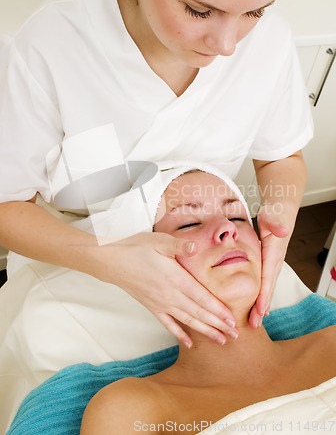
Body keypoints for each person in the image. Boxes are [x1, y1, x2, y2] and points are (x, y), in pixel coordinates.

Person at [0, 0, 312, 421]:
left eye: (255, 12)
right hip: (74, 253)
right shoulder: (53, 44)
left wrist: (277, 213)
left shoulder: (269, 43)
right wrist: (108, 261)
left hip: (211, 242)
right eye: (200, 11)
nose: (228, 45)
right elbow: (5, 207)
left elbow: (282, 158)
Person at [80, 170, 336, 434]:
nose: (228, 228)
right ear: (146, 269)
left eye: (237, 217)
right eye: (188, 224)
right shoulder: (130, 409)